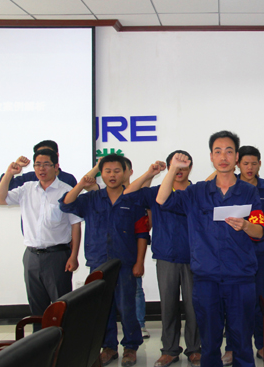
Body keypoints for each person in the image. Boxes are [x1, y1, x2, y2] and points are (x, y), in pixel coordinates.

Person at [156, 131, 264, 367]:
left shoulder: (249, 192)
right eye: (218, 151)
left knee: (242, 343)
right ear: (211, 157)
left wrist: (246, 226)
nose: (223, 157)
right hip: (206, 279)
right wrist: (173, 168)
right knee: (209, 343)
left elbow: (261, 232)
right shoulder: (197, 192)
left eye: (229, 151)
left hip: (241, 278)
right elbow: (163, 200)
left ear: (236, 157)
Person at [60, 154, 149, 367]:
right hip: (98, 262)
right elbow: (66, 204)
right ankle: (108, 347)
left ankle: (130, 347)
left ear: (126, 173)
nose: (112, 175)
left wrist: (139, 262)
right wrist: (81, 184)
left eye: (117, 171)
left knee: (127, 307)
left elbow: (142, 233)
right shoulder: (92, 198)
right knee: (102, 309)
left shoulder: (133, 199)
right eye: (107, 171)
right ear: (101, 173)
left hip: (124, 263)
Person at [124, 151, 202, 367]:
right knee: (168, 306)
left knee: (194, 306)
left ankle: (195, 349)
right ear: (169, 168)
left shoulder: (198, 192)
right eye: (175, 166)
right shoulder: (156, 192)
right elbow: (128, 194)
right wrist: (149, 174)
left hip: (195, 258)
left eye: (184, 167)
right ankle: (169, 350)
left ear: (190, 168)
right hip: (166, 256)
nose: (180, 171)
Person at [0, 148, 82, 330]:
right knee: (36, 306)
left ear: (56, 167)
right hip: (31, 256)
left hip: (58, 255)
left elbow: (75, 225)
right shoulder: (27, 189)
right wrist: (9, 173)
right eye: (38, 165)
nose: (41, 169)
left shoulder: (66, 191)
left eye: (46, 164)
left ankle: (63, 342)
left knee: (61, 304)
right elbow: (0, 199)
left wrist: (73, 256)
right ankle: (40, 343)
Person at [219, 146, 264, 364]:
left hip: (261, 252)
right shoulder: (229, 185)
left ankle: (262, 344)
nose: (250, 167)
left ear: (260, 164)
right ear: (238, 164)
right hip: (235, 253)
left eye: (254, 163)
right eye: (245, 163)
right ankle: (232, 347)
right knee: (234, 302)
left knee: (261, 300)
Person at [0, 140, 77, 190]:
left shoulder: (68, 179)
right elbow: (6, 190)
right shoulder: (29, 179)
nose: (43, 156)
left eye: (47, 153)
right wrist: (11, 171)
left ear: (57, 155)